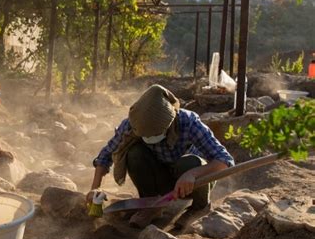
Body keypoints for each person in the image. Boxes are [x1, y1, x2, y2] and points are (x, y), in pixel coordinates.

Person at [87, 84, 235, 229]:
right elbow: (105, 156)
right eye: (146, 134)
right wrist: (95, 188)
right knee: (134, 154)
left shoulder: (188, 122)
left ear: (169, 123)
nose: (150, 137)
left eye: (155, 133)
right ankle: (152, 205)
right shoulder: (132, 125)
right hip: (160, 177)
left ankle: (200, 207)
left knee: (190, 162)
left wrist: (192, 174)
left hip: (190, 182)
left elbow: (225, 160)